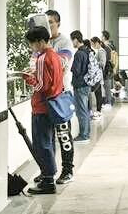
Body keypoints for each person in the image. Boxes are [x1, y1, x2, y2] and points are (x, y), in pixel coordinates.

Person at [24, 25, 65, 195]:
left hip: (41, 106)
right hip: (53, 105)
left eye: (32, 43)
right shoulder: (55, 56)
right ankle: (49, 174)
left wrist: (29, 78)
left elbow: (42, 86)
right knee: (48, 142)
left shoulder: (42, 58)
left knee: (41, 144)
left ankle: (48, 180)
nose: (31, 47)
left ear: (40, 42)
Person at [46, 10, 76, 184]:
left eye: (51, 22)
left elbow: (60, 64)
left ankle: (68, 170)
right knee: (47, 137)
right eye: (46, 22)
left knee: (63, 135)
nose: (48, 25)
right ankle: (49, 171)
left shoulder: (64, 42)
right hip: (45, 96)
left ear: (58, 23)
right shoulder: (42, 41)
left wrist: (46, 50)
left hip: (61, 95)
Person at [70, 31, 94, 143]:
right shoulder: (87, 51)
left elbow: (76, 70)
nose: (72, 43)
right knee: (86, 110)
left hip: (80, 85)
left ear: (76, 39)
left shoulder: (79, 53)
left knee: (81, 111)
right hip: (87, 84)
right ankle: (86, 133)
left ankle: (83, 135)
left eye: (72, 40)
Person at [90, 36, 107, 117]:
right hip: (98, 75)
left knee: (98, 93)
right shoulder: (99, 51)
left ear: (96, 43)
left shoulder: (101, 51)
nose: (92, 45)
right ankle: (98, 110)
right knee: (98, 93)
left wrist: (94, 63)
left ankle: (99, 110)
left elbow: (102, 63)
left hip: (98, 75)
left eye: (92, 43)